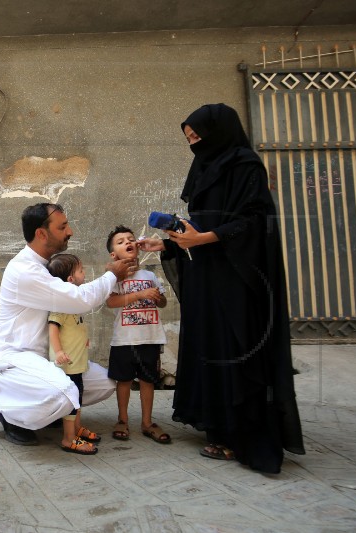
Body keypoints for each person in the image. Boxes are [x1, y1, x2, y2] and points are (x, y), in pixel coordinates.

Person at [138, 103, 305, 473]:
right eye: (189, 139)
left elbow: (253, 221)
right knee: (210, 347)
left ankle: (243, 434)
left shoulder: (245, 165)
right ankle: (219, 428)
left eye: (197, 137)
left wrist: (205, 238)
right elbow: (198, 224)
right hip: (206, 278)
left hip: (238, 278)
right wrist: (167, 243)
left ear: (219, 132)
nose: (194, 145)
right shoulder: (203, 167)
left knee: (236, 348)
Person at [0, 203, 134, 446]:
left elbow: (74, 297)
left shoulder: (49, 265)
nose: (70, 231)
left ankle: (55, 412)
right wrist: (112, 274)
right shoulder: (24, 270)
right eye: (62, 226)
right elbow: (79, 299)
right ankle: (11, 416)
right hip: (15, 358)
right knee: (65, 392)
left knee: (105, 383)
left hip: (49, 356)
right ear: (41, 233)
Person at [105, 225, 170, 445]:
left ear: (138, 247)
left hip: (149, 338)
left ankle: (147, 422)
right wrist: (140, 294)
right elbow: (111, 302)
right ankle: (122, 419)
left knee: (147, 381)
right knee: (123, 381)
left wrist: (156, 298)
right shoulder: (114, 277)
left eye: (130, 239)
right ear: (114, 254)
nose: (127, 242)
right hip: (124, 340)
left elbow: (162, 302)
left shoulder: (149, 275)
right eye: (121, 241)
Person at [46, 253, 102, 455]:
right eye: (81, 270)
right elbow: (53, 327)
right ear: (70, 279)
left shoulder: (74, 301)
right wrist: (59, 351)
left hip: (77, 362)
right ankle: (68, 439)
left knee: (77, 397)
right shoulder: (61, 303)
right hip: (67, 364)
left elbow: (73, 327)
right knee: (71, 400)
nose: (84, 272)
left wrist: (82, 339)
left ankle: (77, 430)